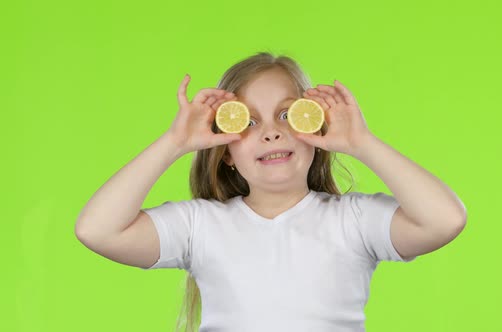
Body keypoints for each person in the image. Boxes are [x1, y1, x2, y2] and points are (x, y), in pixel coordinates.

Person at [75, 52, 467, 332]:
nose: (271, 132)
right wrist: (175, 142)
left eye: (285, 114)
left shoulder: (353, 221)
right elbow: (98, 230)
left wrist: (362, 143)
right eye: (247, 120)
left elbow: (445, 219)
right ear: (226, 152)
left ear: (313, 130)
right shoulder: (200, 225)